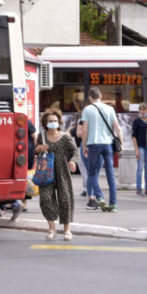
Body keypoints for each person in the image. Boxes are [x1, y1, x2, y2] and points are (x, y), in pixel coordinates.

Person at [35, 108, 79, 240]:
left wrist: (72, 161)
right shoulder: (41, 136)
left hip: (62, 170)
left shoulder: (65, 136)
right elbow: (35, 151)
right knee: (45, 198)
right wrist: (38, 149)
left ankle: (67, 230)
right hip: (46, 171)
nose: (53, 123)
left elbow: (75, 151)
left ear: (59, 122)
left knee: (65, 199)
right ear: (45, 123)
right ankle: (51, 228)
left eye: (55, 121)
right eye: (50, 121)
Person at [78, 87, 122, 212]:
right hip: (107, 145)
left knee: (91, 173)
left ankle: (100, 198)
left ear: (90, 97)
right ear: (100, 96)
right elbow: (117, 128)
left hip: (93, 144)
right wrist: (121, 143)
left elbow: (84, 130)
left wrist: (85, 145)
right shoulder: (110, 109)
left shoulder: (87, 110)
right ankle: (113, 204)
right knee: (110, 174)